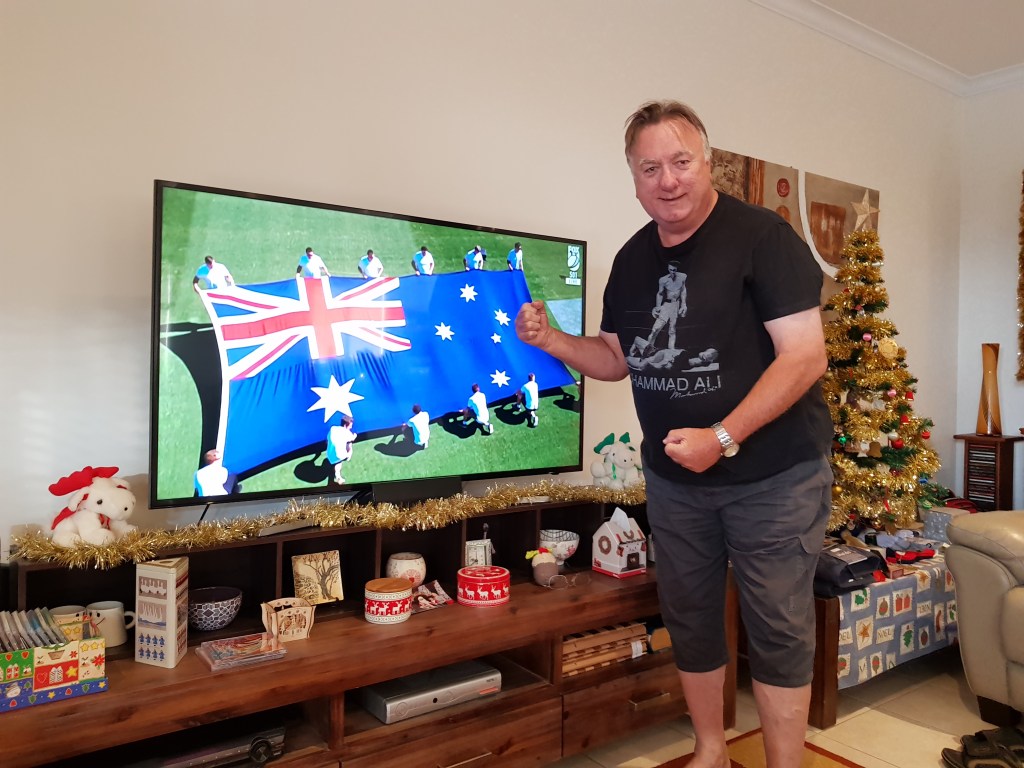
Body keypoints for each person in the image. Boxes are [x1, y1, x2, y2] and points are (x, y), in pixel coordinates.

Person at [515, 100, 832, 768]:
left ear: (707, 162)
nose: (668, 180)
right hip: (675, 483)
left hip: (774, 477)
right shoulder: (632, 261)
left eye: (681, 161)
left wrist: (722, 436)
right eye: (650, 168)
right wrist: (552, 341)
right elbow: (615, 359)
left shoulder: (763, 238)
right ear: (633, 177)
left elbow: (804, 357)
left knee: (778, 627)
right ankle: (711, 750)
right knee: (689, 617)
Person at [645, 259, 687, 351]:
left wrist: (684, 304)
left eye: (674, 270)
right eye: (670, 270)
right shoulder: (663, 280)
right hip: (667, 305)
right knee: (656, 329)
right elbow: (660, 293)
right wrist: (658, 306)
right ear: (668, 268)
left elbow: (683, 290)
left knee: (672, 330)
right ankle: (648, 349)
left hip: (675, 305)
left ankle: (671, 351)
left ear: (677, 269)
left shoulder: (683, 277)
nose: (672, 272)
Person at [326, 416, 357, 485]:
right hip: (340, 456)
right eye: (350, 425)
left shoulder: (333, 428)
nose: (351, 427)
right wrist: (355, 436)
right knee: (349, 444)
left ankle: (337, 473)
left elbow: (327, 440)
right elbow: (352, 438)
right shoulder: (347, 433)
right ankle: (348, 457)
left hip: (329, 455)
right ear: (346, 425)